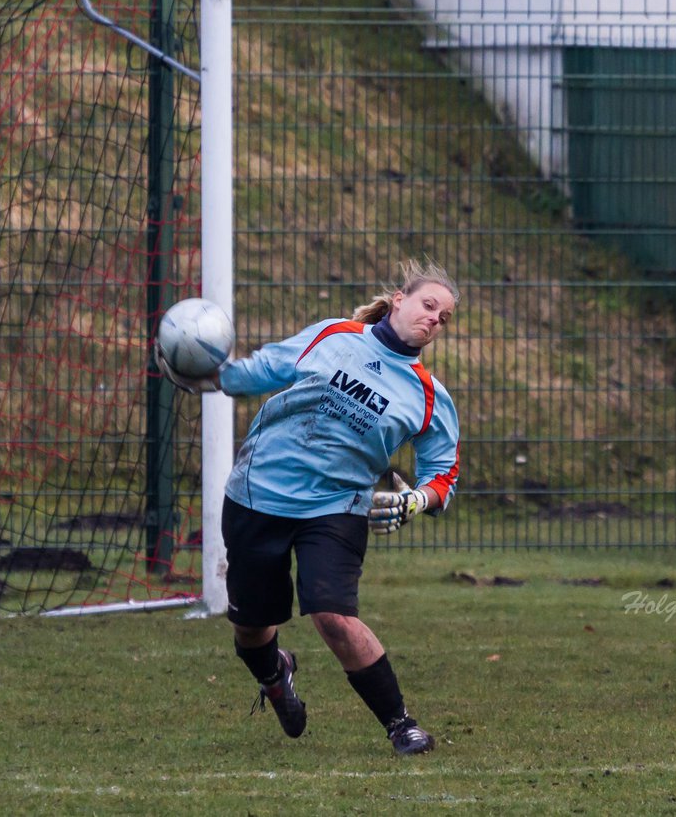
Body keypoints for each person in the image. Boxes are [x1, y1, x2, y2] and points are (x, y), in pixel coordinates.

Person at [158, 259, 460, 755]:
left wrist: (414, 500)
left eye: (443, 318)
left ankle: (400, 724)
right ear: (400, 299)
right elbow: (267, 368)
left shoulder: (428, 396)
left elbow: (443, 475)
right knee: (252, 629)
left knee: (333, 615)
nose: (433, 320)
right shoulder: (334, 335)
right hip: (259, 492)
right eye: (428, 305)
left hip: (336, 508)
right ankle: (277, 676)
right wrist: (208, 376)